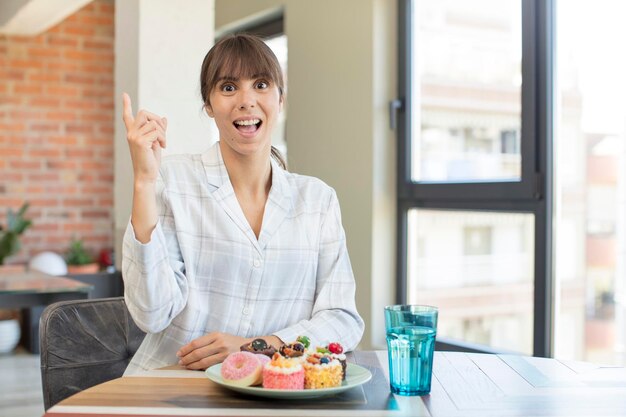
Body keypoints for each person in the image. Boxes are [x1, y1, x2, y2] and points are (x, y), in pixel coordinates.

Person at [121, 34, 364, 374]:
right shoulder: (170, 180)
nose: (247, 101)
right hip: (173, 388)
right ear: (209, 104)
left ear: (281, 99)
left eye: (261, 84)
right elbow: (151, 313)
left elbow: (343, 319)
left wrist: (258, 348)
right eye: (229, 87)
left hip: (274, 392)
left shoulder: (317, 200)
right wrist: (144, 182)